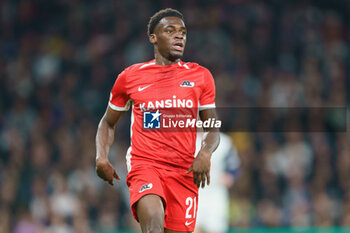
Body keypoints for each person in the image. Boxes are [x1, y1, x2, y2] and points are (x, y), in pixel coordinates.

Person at [95, 8, 220, 233]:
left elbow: (213, 127)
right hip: (146, 164)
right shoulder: (130, 77)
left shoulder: (200, 76)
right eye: (170, 30)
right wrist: (101, 157)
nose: (179, 35)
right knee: (153, 224)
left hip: (184, 171)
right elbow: (107, 122)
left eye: (183, 32)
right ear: (153, 37)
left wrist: (205, 153)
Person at [195, 132, 240, 233]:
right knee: (192, 228)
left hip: (216, 194)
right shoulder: (188, 140)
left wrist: (230, 177)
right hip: (194, 192)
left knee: (215, 228)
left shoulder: (224, 141)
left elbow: (234, 166)